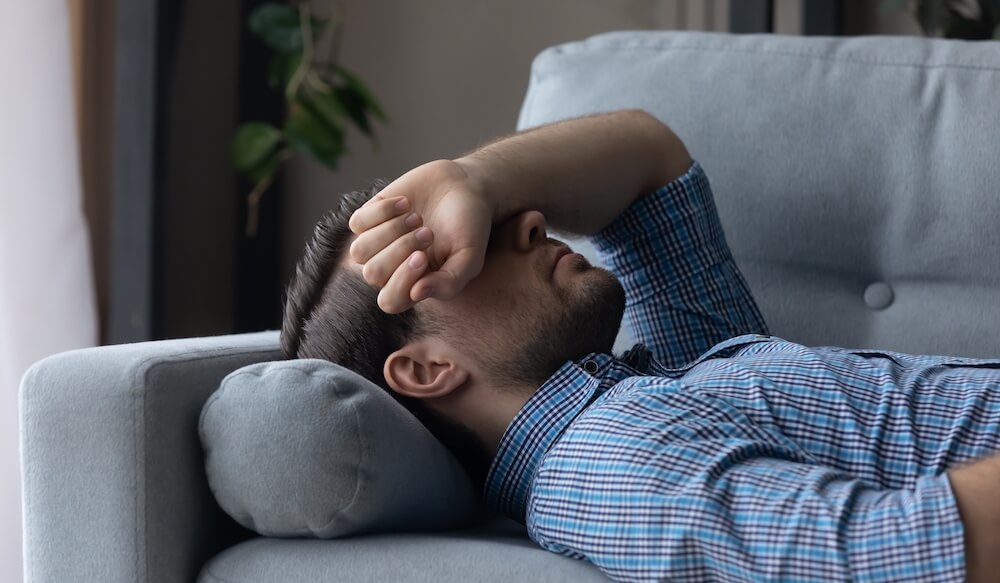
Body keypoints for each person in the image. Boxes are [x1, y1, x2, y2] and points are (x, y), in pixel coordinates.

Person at [280, 109, 1000, 582]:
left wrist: (474, 179)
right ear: (427, 367)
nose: (525, 222)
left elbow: (652, 165)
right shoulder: (614, 461)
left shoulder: (661, 383)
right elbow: (897, 555)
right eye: (449, 256)